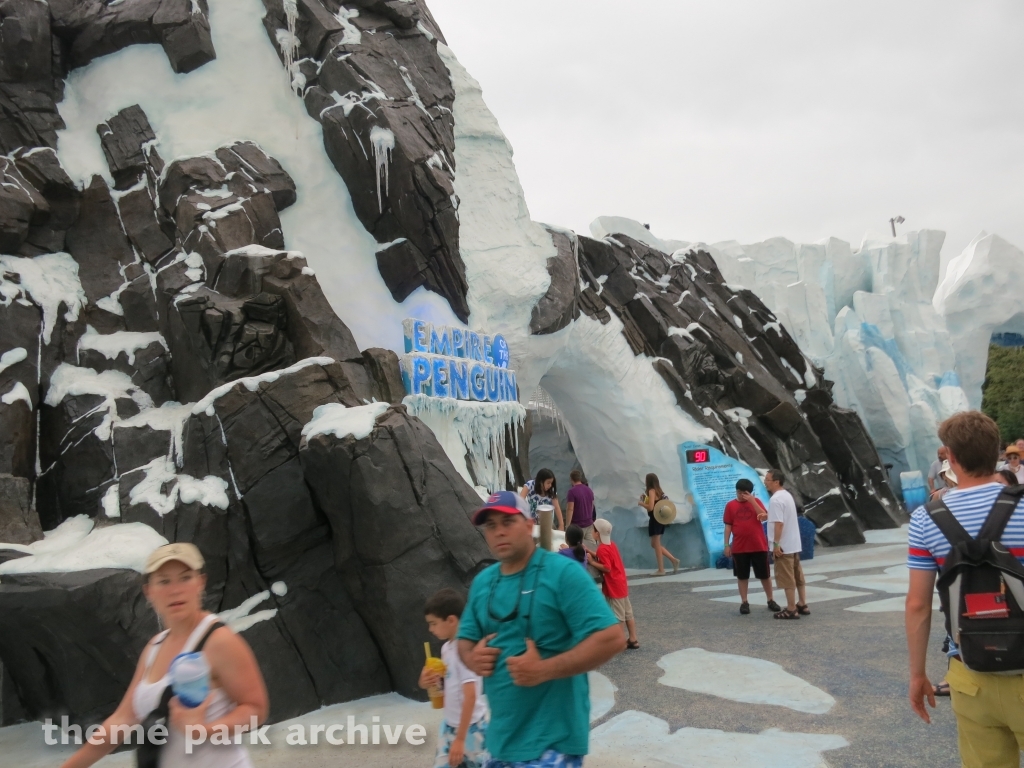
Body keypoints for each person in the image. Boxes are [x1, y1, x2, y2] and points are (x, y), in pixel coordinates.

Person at [61, 543, 268, 768]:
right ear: (149, 591)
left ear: (201, 582)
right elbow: (122, 720)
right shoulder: (154, 647)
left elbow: (255, 708)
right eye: (164, 581)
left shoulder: (219, 641)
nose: (175, 590)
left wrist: (205, 731)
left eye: (185, 577)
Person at [458, 491, 624, 767]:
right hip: (501, 741)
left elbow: (611, 638)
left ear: (528, 525)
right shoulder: (483, 583)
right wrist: (471, 658)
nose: (498, 532)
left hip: (553, 743)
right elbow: (464, 640)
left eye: (507, 522)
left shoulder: (563, 573)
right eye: (491, 526)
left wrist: (545, 670)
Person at [906, 411, 1024, 767]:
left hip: (970, 673)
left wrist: (917, 675)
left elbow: (918, 605)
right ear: (998, 455)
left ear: (951, 459)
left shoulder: (925, 518)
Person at [420, 588, 489, 768]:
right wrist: (426, 682)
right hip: (450, 725)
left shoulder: (465, 649)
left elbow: (471, 696)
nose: (430, 629)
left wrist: (460, 739)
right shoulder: (446, 649)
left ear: (451, 620)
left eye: (433, 623)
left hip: (471, 729)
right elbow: (444, 692)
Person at [723, 478, 782, 615]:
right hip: (739, 546)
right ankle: (744, 602)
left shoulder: (756, 502)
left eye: (744, 493)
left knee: (765, 575)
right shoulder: (730, 506)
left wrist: (752, 501)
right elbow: (728, 527)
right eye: (738, 492)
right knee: (742, 576)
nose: (741, 495)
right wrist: (726, 544)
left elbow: (764, 517)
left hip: (758, 545)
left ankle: (770, 599)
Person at [765, 469, 809, 620]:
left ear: (776, 482)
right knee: (798, 575)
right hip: (793, 543)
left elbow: (779, 523)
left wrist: (776, 544)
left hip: (783, 545)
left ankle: (791, 609)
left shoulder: (775, 500)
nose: (765, 482)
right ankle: (802, 603)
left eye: (768, 480)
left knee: (787, 577)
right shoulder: (787, 495)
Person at [590, 518, 639, 649]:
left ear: (598, 533)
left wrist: (591, 562)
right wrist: (590, 552)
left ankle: (619, 643)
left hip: (613, 586)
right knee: (628, 613)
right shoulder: (611, 545)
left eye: (593, 530)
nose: (592, 531)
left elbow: (607, 567)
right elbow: (606, 558)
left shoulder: (601, 549)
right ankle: (633, 639)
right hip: (621, 583)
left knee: (619, 616)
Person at [640, 472, 680, 575]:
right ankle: (673, 560)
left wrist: (641, 504)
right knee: (654, 544)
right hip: (659, 519)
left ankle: (661, 569)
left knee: (656, 544)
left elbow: (651, 507)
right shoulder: (659, 491)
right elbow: (655, 503)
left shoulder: (651, 491)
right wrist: (644, 499)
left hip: (655, 520)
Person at [565, 470, 599, 578]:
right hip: (589, 524)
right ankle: (595, 574)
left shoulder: (572, 492)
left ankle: (580, 575)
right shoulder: (589, 490)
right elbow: (592, 506)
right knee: (592, 550)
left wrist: (567, 525)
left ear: (571, 479)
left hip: (577, 526)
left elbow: (570, 509)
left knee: (576, 551)